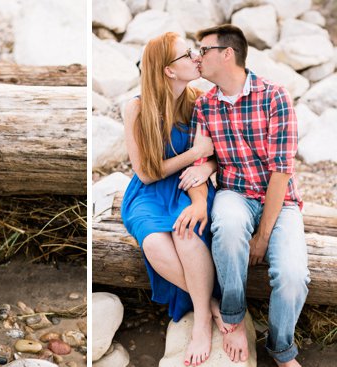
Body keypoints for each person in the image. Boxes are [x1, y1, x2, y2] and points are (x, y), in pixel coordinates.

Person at [193, 24, 309, 366]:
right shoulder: (205, 106)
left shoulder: (275, 96)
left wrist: (262, 236)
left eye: (203, 51)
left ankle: (280, 348)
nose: (197, 58)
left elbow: (281, 170)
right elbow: (204, 155)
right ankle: (232, 316)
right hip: (235, 194)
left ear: (227, 54)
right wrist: (207, 165)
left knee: (292, 278)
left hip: (281, 201)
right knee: (227, 228)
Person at [121, 32, 223, 366]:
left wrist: (206, 166)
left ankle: (202, 324)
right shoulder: (136, 109)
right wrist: (195, 152)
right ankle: (210, 305)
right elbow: (147, 173)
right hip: (148, 192)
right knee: (153, 244)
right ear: (168, 70)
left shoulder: (199, 101)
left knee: (187, 236)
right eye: (187, 55)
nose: (197, 57)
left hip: (187, 186)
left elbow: (216, 156)